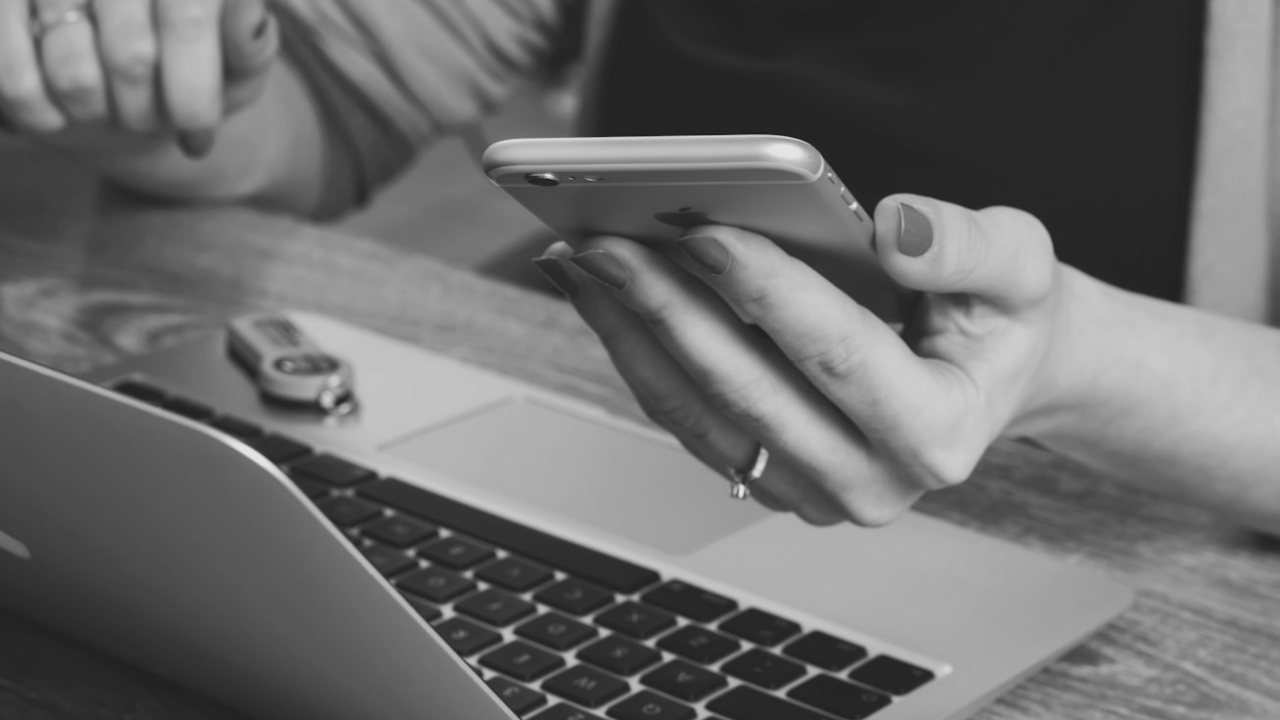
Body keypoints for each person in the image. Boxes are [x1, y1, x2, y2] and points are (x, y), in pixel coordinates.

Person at [2, 0, 1278, 534]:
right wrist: (126, 63)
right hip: (621, 476)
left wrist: (1073, 361)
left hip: (1146, 570)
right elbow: (316, 108)